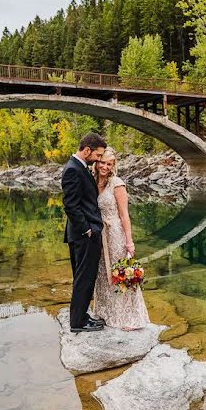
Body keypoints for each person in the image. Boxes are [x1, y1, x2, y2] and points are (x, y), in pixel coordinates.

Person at [92, 148, 150, 330]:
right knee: (102, 274)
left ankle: (129, 318)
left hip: (115, 233)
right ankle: (106, 313)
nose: (105, 167)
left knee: (121, 273)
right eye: (103, 162)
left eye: (109, 164)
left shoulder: (117, 183)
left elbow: (125, 215)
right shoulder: (92, 181)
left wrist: (129, 242)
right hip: (99, 235)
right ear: (97, 161)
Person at [61, 133, 107, 333]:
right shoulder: (73, 169)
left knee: (85, 277)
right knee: (83, 278)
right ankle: (78, 323)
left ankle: (81, 315)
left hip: (83, 234)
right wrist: (87, 230)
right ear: (87, 150)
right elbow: (70, 206)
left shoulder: (80, 167)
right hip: (83, 235)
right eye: (97, 155)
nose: (99, 159)